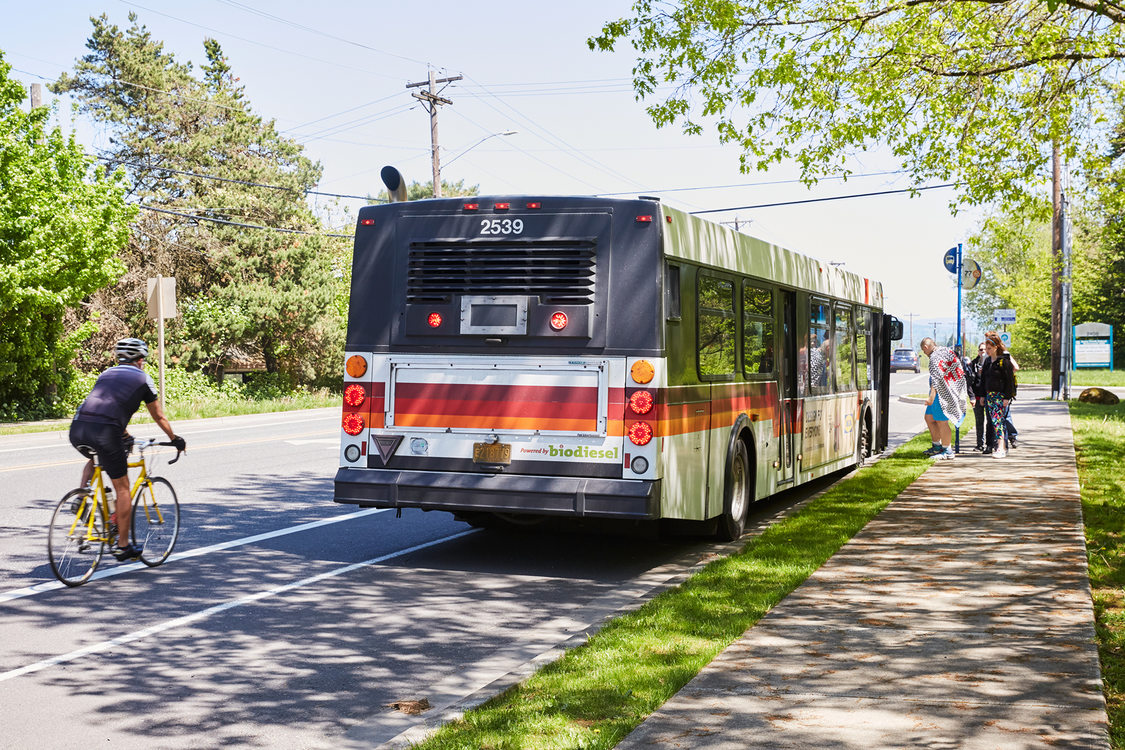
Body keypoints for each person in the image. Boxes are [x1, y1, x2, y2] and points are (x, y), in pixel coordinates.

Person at [69, 337, 186, 560]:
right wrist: (175, 438)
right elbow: (158, 415)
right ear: (140, 359)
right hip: (105, 432)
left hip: (78, 428)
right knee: (123, 488)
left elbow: (104, 408)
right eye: (143, 359)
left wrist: (126, 436)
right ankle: (123, 546)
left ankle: (82, 495)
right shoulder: (143, 379)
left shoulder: (106, 374)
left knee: (95, 459)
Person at [919, 337, 968, 460]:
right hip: (951, 388)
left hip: (942, 393)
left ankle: (947, 450)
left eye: (923, 351)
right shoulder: (946, 351)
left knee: (941, 421)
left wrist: (931, 397)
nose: (924, 354)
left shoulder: (934, 358)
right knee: (929, 418)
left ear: (926, 347)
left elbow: (936, 380)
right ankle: (937, 446)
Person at [980, 331, 1017, 458]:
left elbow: (1009, 381)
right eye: (986, 349)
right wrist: (983, 396)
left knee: (998, 421)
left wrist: (1007, 397)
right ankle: (1002, 447)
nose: (987, 351)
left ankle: (1001, 447)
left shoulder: (1003, 362)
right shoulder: (987, 362)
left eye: (989, 349)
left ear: (996, 347)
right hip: (990, 396)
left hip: (1000, 396)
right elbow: (983, 379)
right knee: (995, 421)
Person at [966, 343, 989, 451]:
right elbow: (969, 383)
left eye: (985, 349)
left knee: (991, 421)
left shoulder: (991, 363)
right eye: (981, 349)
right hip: (977, 397)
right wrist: (972, 397)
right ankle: (980, 444)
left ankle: (991, 444)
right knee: (979, 421)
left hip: (989, 397)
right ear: (978, 351)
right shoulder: (973, 364)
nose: (983, 351)